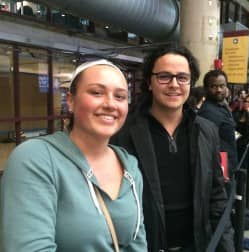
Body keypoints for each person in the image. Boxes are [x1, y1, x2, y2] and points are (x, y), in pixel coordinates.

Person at [0, 59, 147, 251]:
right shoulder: (35, 159)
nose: (110, 104)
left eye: (120, 96)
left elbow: (137, 243)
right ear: (70, 100)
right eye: (96, 92)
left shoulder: (129, 166)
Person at [111, 45, 235, 252]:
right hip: (144, 245)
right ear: (149, 82)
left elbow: (216, 194)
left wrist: (226, 246)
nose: (174, 84)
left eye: (182, 77)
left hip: (196, 244)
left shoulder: (206, 131)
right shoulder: (122, 133)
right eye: (164, 76)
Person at [198, 69, 237, 179]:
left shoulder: (221, 106)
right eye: (214, 86)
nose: (219, 90)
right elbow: (209, 145)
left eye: (222, 86)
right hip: (221, 168)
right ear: (206, 89)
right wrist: (224, 171)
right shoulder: (208, 111)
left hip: (229, 161)